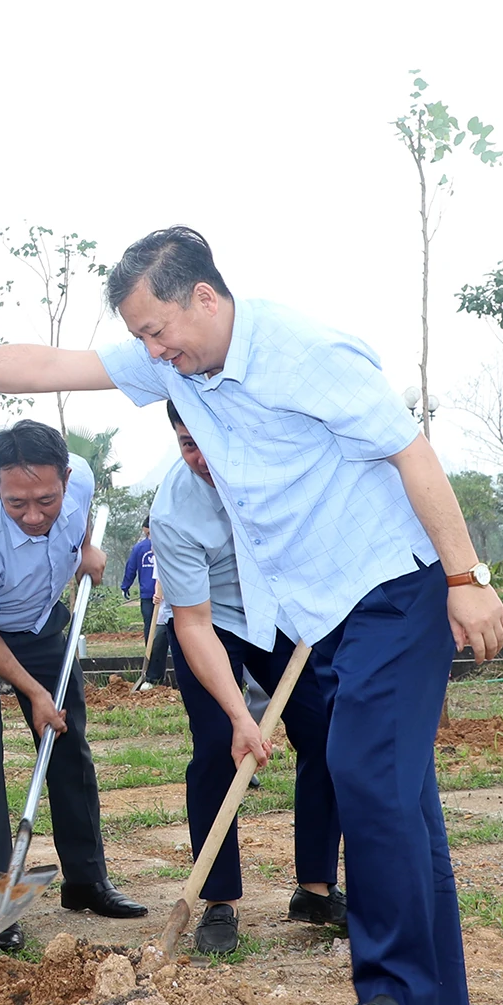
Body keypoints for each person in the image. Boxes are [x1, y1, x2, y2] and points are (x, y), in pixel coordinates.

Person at [0, 227, 503, 1005]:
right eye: (140, 338)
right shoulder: (175, 366)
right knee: (399, 791)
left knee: (365, 773)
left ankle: (398, 996)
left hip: (395, 581)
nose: (152, 351)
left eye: (158, 330)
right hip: (334, 608)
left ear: (204, 296)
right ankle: (423, 997)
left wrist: (466, 577)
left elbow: (410, 452)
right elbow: (45, 364)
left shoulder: (304, 352)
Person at [0, 419, 142, 953]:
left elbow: (80, 510)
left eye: (46, 500)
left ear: (64, 478)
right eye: (16, 503)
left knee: (67, 742)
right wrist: (35, 693)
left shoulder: (80, 476)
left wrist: (85, 547)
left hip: (39, 623)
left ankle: (86, 881)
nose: (33, 515)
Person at [155, 402, 340, 955]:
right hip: (210, 621)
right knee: (218, 745)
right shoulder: (175, 513)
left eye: (210, 439)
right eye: (188, 443)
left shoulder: (280, 468)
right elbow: (193, 624)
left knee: (325, 731)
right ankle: (219, 900)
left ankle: (316, 889)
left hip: (278, 615)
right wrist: (242, 717)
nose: (201, 456)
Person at [121, 520, 158, 642]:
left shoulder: (139, 548)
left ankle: (151, 650)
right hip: (164, 594)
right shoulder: (168, 544)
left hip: (148, 594)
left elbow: (131, 569)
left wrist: (125, 586)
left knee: (149, 625)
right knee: (165, 625)